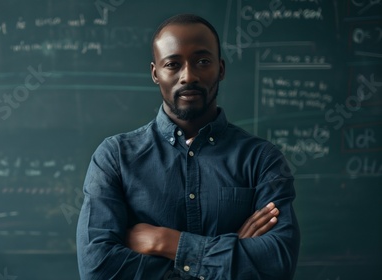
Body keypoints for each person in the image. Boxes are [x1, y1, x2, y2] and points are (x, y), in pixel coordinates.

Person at [76, 13, 300, 280]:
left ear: (221, 68)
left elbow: (278, 262)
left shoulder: (263, 159)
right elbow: (97, 268)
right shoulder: (115, 158)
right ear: (155, 73)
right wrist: (229, 258)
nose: (188, 76)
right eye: (172, 64)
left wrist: (166, 242)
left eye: (203, 61)